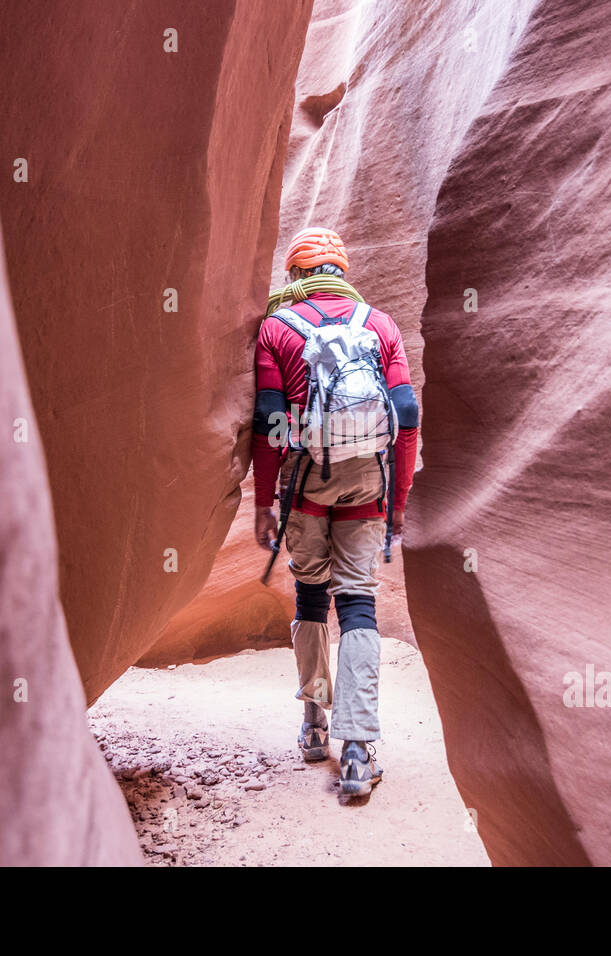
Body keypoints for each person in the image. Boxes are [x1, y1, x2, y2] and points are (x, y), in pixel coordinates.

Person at [251, 227, 419, 796]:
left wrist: (263, 503)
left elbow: (269, 422)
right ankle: (357, 749)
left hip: (302, 484)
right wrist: (396, 505)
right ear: (342, 271)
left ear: (296, 276)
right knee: (357, 601)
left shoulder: (277, 328)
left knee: (310, 597)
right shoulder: (380, 324)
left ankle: (315, 723)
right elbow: (407, 414)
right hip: (366, 486)